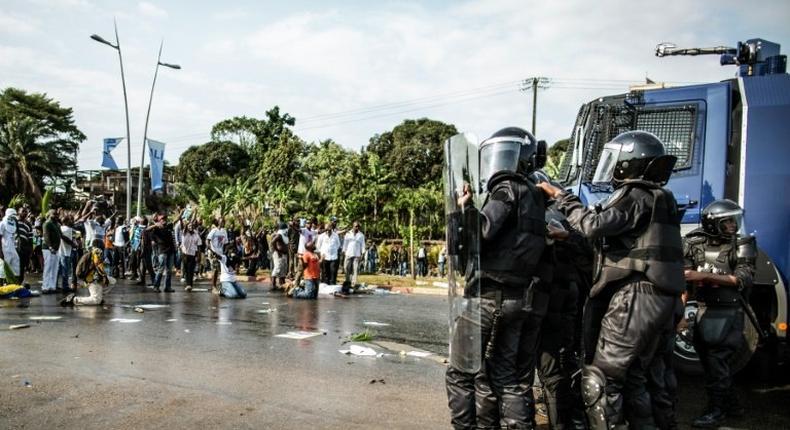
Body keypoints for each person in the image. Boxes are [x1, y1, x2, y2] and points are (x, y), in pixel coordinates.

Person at [536, 131, 684, 429]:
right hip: (661, 299)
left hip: (636, 297)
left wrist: (561, 196)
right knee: (638, 378)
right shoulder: (660, 198)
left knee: (600, 381)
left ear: (629, 162)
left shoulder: (635, 193)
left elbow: (592, 225)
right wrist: (568, 236)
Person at [445, 127, 547, 430]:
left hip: (487, 297)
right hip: (518, 298)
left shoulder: (506, 189)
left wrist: (465, 208)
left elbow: (485, 230)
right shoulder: (535, 197)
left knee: (460, 372)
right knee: (506, 375)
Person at [683, 199, 756, 428]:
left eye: (734, 221)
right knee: (711, 362)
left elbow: (741, 279)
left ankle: (717, 411)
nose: (733, 226)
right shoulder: (694, 243)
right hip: (704, 310)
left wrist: (702, 276)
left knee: (717, 360)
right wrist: (681, 315)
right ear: (713, 224)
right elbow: (685, 282)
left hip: (728, 311)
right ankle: (732, 405)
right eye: (727, 222)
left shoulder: (742, 244)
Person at [60, 239, 115, 306]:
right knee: (95, 300)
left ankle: (98, 295)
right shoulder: (97, 251)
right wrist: (104, 276)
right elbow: (98, 264)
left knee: (112, 281)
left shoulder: (91, 251)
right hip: (93, 278)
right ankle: (74, 299)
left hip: (91, 277)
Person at [148, 213, 176, 293]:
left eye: (165, 219)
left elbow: (176, 221)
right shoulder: (156, 229)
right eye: (162, 219)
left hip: (171, 250)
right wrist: (155, 225)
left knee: (169, 270)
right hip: (162, 251)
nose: (164, 220)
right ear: (159, 220)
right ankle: (156, 286)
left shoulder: (168, 226)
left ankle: (167, 287)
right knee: (160, 269)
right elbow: (146, 230)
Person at [41, 210, 61, 293]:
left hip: (56, 249)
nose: (56, 215)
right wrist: (50, 247)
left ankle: (52, 287)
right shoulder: (47, 223)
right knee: (48, 268)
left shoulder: (56, 224)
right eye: (54, 214)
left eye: (57, 214)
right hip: (48, 249)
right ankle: (45, 287)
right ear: (49, 214)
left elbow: (61, 235)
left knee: (54, 268)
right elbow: (46, 235)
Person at [294, 218, 316, 289]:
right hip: (302, 254)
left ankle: (305, 285)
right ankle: (296, 286)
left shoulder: (312, 231)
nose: (309, 224)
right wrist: (293, 226)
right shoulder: (303, 230)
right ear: (305, 224)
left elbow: (319, 232)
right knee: (300, 270)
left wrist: (327, 229)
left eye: (310, 223)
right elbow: (298, 230)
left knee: (308, 270)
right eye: (307, 223)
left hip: (309, 254)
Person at [0, 208, 20, 284]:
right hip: (5, 248)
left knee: (16, 263)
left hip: (13, 248)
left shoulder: (13, 224)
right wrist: (0, 251)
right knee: (4, 266)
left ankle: (14, 283)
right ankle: (2, 283)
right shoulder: (2, 223)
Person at [181, 221, 202, 292]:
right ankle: (188, 284)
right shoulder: (184, 233)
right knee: (186, 270)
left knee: (191, 270)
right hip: (185, 254)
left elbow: (199, 245)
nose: (191, 227)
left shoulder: (196, 234)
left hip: (193, 254)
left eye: (192, 226)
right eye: (189, 226)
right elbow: (181, 225)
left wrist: (199, 256)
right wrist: (180, 218)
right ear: (187, 227)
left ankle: (190, 285)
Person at [58, 215, 76, 294]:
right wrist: (73, 244)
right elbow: (67, 239)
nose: (72, 221)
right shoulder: (69, 229)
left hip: (60, 251)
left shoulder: (60, 228)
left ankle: (56, 285)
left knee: (59, 270)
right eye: (70, 220)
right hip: (66, 252)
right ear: (66, 221)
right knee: (65, 270)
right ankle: (65, 286)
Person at [343, 221, 365, 286]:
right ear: (353, 226)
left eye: (358, 226)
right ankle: (347, 281)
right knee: (346, 268)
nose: (357, 227)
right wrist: (344, 251)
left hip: (357, 254)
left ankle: (353, 283)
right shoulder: (348, 233)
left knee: (355, 269)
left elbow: (363, 244)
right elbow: (345, 243)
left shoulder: (361, 235)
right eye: (356, 226)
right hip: (348, 253)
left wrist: (363, 253)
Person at [15, 206, 33, 284]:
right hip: (15, 247)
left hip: (24, 249)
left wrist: (31, 250)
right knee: (15, 266)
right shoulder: (15, 222)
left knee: (22, 267)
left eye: (26, 211)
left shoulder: (28, 224)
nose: (25, 213)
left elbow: (30, 238)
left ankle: (19, 283)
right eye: (23, 211)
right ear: (18, 212)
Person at [270, 223, 289, 291]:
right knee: (277, 268)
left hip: (284, 254)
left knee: (283, 268)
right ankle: (273, 284)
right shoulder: (279, 235)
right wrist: (277, 251)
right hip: (278, 254)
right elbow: (272, 242)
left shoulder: (284, 235)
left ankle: (282, 284)